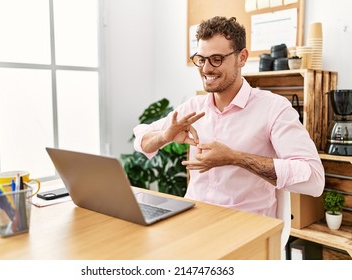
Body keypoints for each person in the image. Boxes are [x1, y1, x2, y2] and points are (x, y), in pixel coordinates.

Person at [133, 16, 324, 218]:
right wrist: (165, 135)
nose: (206, 69)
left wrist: (235, 158)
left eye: (216, 59)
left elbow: (314, 180)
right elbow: (142, 139)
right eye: (201, 59)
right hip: (193, 219)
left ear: (241, 57)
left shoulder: (274, 108)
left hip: (246, 226)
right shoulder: (193, 107)